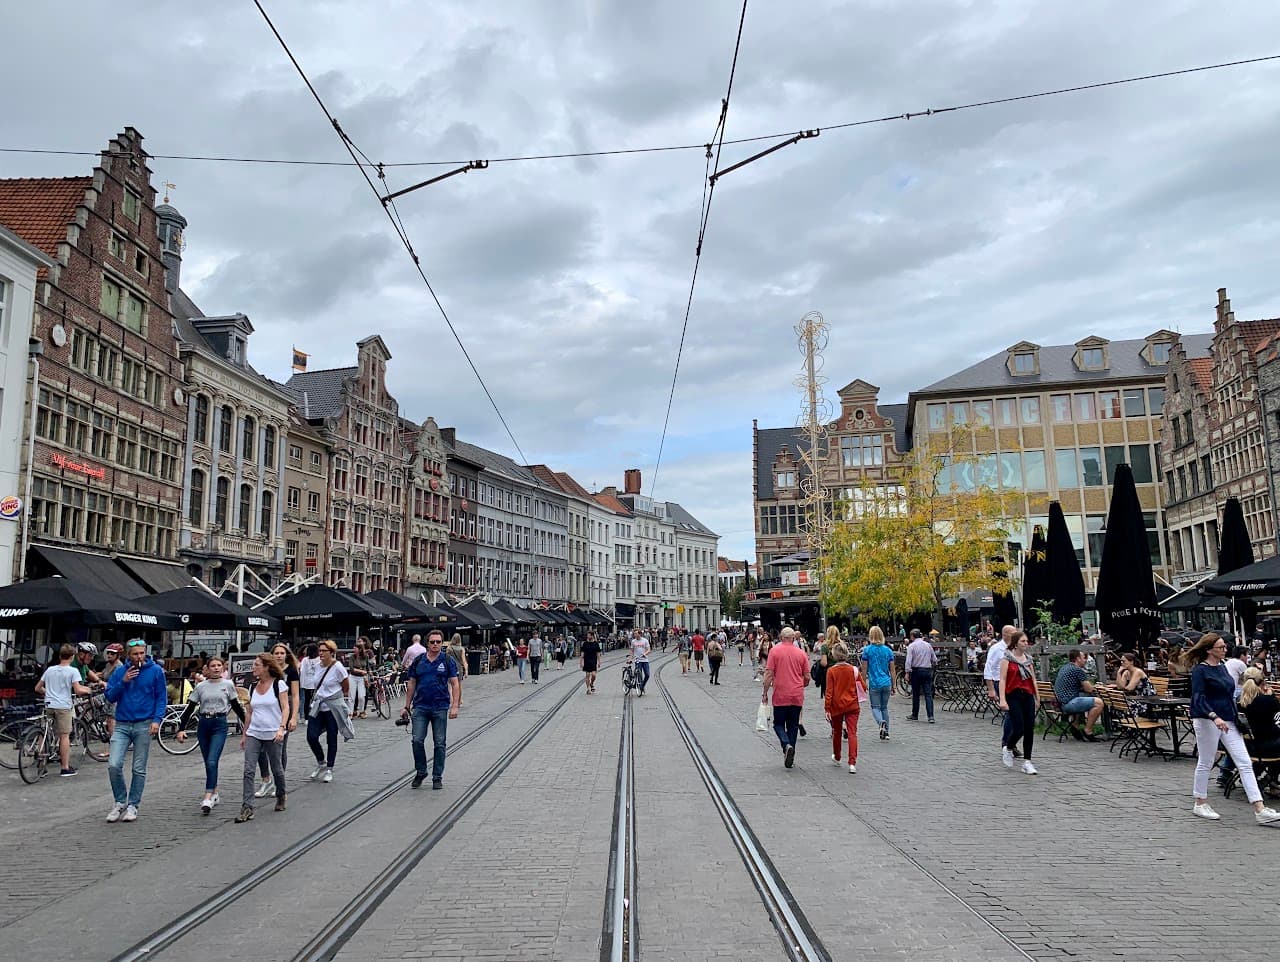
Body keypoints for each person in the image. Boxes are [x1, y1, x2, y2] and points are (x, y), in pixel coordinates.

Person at [1185, 633, 1280, 823]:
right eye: (1220, 647)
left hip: (1228, 720)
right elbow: (1198, 698)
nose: (1225, 649)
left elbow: (1229, 694)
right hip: (1207, 720)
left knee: (1244, 762)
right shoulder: (1200, 671)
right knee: (1206, 761)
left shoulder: (1222, 666)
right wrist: (1214, 716)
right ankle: (1200, 802)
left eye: (1224, 646)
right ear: (1209, 650)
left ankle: (1259, 808)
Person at [103, 639, 167, 822]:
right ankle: (120, 801)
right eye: (135, 654)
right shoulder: (120, 671)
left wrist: (157, 720)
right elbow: (110, 696)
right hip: (122, 724)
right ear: (128, 655)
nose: (139, 657)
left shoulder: (155, 671)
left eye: (142, 653)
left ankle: (133, 805)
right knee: (114, 764)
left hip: (144, 724)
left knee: (138, 768)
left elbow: (161, 697)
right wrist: (123, 681)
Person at [175, 656, 246, 814]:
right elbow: (190, 707)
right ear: (207, 668)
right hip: (204, 724)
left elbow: (236, 706)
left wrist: (247, 726)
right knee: (208, 761)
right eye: (213, 666)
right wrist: (181, 729)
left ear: (223, 668)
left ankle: (208, 796)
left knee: (213, 760)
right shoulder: (201, 686)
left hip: (219, 724)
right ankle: (214, 792)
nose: (216, 668)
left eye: (219, 665)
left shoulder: (228, 685)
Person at [401, 630, 461, 790]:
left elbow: (455, 683)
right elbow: (412, 683)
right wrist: (406, 706)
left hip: (440, 707)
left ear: (442, 643)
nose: (435, 644)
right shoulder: (419, 661)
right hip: (420, 706)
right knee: (417, 740)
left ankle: (437, 776)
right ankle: (421, 771)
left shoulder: (447, 660)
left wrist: (455, 706)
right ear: (427, 643)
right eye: (432, 642)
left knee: (440, 743)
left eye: (438, 642)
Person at [236, 654, 291, 822]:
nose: (253, 668)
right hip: (254, 732)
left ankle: (281, 794)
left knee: (277, 768)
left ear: (267, 667)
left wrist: (282, 728)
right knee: (249, 769)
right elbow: (249, 712)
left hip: (273, 732)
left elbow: (285, 707)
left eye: (257, 665)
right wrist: (245, 734)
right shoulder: (253, 686)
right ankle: (247, 807)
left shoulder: (278, 684)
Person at [35, 644, 93, 777]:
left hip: (49, 704)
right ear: (72, 657)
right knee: (64, 735)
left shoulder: (50, 670)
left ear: (60, 656)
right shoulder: (73, 671)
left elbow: (37, 688)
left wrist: (49, 693)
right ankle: (65, 768)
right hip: (63, 706)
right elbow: (78, 689)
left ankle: (42, 765)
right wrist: (88, 690)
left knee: (44, 732)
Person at [255, 643, 301, 799]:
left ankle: (278, 781)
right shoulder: (266, 670)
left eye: (282, 653)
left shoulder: (291, 671)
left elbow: (295, 695)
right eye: (276, 653)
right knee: (261, 749)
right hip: (266, 709)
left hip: (283, 709)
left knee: (280, 747)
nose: (279, 655)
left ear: (286, 655)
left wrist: (293, 717)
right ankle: (265, 779)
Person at [762, 627, 810, 768]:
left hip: (780, 694)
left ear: (781, 638)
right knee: (793, 725)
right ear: (793, 638)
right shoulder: (801, 653)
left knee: (778, 724)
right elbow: (807, 676)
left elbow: (768, 674)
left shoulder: (774, 651)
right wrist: (802, 685)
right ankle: (790, 752)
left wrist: (765, 692)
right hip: (796, 695)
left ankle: (786, 744)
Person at [306, 640, 350, 784]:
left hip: (332, 707)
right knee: (311, 736)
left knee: (331, 737)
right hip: (318, 705)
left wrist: (342, 701)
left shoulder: (338, 667)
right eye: (320, 651)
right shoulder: (317, 666)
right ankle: (321, 762)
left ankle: (330, 768)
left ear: (331, 652)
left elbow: (345, 685)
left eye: (324, 651)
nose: (321, 653)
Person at [998, 630, 1040, 775]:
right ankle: (1008, 747)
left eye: (1026, 641)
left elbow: (1033, 679)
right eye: (1023, 641)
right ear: (1015, 644)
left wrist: (1037, 697)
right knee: (1019, 727)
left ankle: (1027, 761)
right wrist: (1002, 699)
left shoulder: (1028, 660)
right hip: (1013, 695)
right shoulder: (1007, 659)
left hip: (1027, 694)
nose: (1025, 643)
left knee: (1029, 729)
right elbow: (1002, 679)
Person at [1239, 667, 1280, 796]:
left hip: (1248, 746)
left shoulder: (1240, 702)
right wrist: (1272, 697)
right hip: (1268, 747)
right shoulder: (1268, 701)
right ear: (1262, 683)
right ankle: (1271, 781)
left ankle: (1256, 776)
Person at [824, 642, 861, 774]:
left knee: (837, 731)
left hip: (837, 705)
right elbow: (862, 686)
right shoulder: (853, 670)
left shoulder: (831, 671)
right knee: (852, 733)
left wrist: (827, 708)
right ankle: (852, 763)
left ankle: (837, 756)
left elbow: (829, 691)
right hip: (852, 704)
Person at [984, 625, 1019, 760]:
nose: (1016, 635)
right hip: (1000, 682)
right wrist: (991, 689)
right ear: (1005, 635)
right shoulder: (996, 649)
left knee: (1016, 713)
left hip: (1014, 683)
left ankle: (1011, 743)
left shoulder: (1015, 648)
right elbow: (988, 668)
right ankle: (1007, 743)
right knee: (1010, 712)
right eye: (1013, 633)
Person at [1053, 649, 1104, 741]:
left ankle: (1075, 727)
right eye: (1084, 658)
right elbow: (1088, 689)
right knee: (1099, 703)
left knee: (1079, 697)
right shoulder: (1077, 670)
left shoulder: (1065, 667)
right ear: (1078, 659)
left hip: (1060, 703)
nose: (1085, 660)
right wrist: (1096, 686)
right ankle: (1088, 731)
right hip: (1068, 704)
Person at [860, 626, 896, 740]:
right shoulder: (888, 650)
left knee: (875, 707)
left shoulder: (867, 650)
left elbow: (864, 669)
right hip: (886, 682)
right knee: (884, 708)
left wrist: (863, 682)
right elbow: (892, 670)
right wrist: (894, 685)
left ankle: (881, 722)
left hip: (874, 682)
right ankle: (886, 732)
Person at [904, 628, 938, 723]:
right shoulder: (928, 645)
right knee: (928, 694)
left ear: (912, 636)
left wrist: (907, 672)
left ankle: (915, 714)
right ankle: (930, 716)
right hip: (927, 670)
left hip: (916, 670)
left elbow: (908, 660)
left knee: (916, 693)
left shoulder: (911, 646)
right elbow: (934, 659)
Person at [348, 638, 372, 718]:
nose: (354, 649)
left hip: (362, 678)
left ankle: (362, 711)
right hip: (353, 677)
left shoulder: (365, 657)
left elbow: (367, 667)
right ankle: (350, 713)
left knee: (361, 696)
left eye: (355, 648)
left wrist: (370, 674)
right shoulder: (352, 657)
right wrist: (361, 671)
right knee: (351, 696)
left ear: (360, 649)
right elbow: (351, 669)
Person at [298, 643, 322, 720]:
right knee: (316, 700)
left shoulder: (305, 660)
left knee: (307, 700)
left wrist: (302, 683)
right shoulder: (319, 659)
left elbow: (302, 672)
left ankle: (306, 718)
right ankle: (315, 716)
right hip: (316, 682)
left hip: (307, 683)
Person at [447, 633, 469, 705]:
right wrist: (466, 671)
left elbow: (446, 659)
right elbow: (464, 660)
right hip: (459, 668)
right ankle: (458, 701)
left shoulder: (449, 648)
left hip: (450, 667)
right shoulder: (461, 649)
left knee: (450, 684)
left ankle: (451, 700)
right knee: (459, 685)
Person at [629, 630, 651, 695]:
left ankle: (642, 685)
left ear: (639, 634)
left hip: (645, 660)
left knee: (647, 674)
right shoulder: (633, 641)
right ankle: (640, 687)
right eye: (634, 634)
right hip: (637, 660)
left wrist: (645, 654)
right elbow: (632, 650)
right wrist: (631, 658)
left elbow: (649, 650)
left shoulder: (645, 640)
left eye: (636, 633)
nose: (634, 635)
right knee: (639, 674)